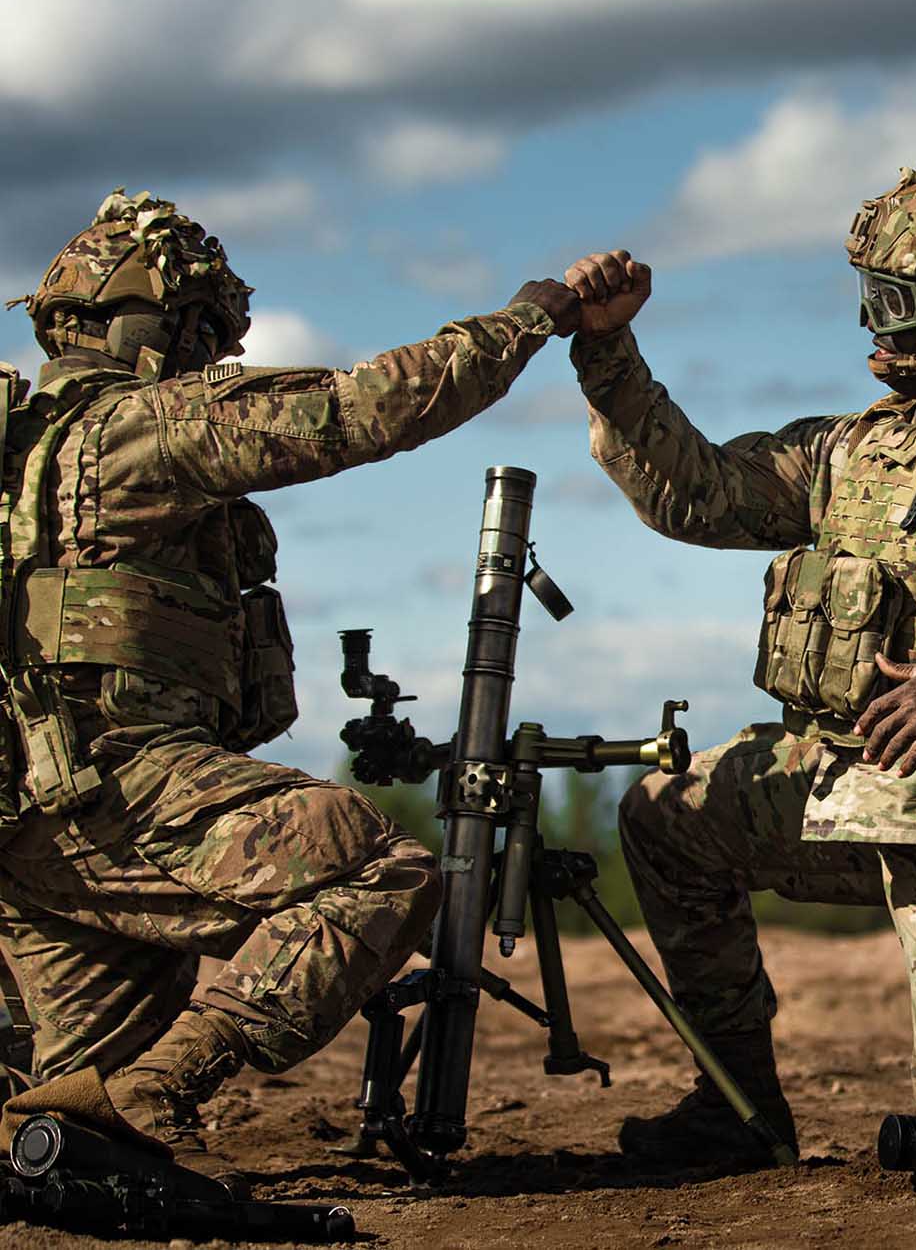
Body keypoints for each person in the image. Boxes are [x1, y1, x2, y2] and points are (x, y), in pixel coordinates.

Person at [0, 187, 582, 1171]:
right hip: (116, 797)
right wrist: (530, 317)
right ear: (173, 326)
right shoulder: (140, 428)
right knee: (377, 871)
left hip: (33, 827)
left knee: (70, 1133)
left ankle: (98, 1115)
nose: (218, 359)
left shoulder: (21, 447)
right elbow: (363, 409)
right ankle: (162, 1087)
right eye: (211, 336)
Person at [564, 157, 916, 1168]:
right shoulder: (842, 452)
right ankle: (734, 1109)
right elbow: (698, 494)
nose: (874, 324)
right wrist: (609, 357)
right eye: (867, 297)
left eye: (897, 299)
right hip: (847, 789)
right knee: (668, 818)